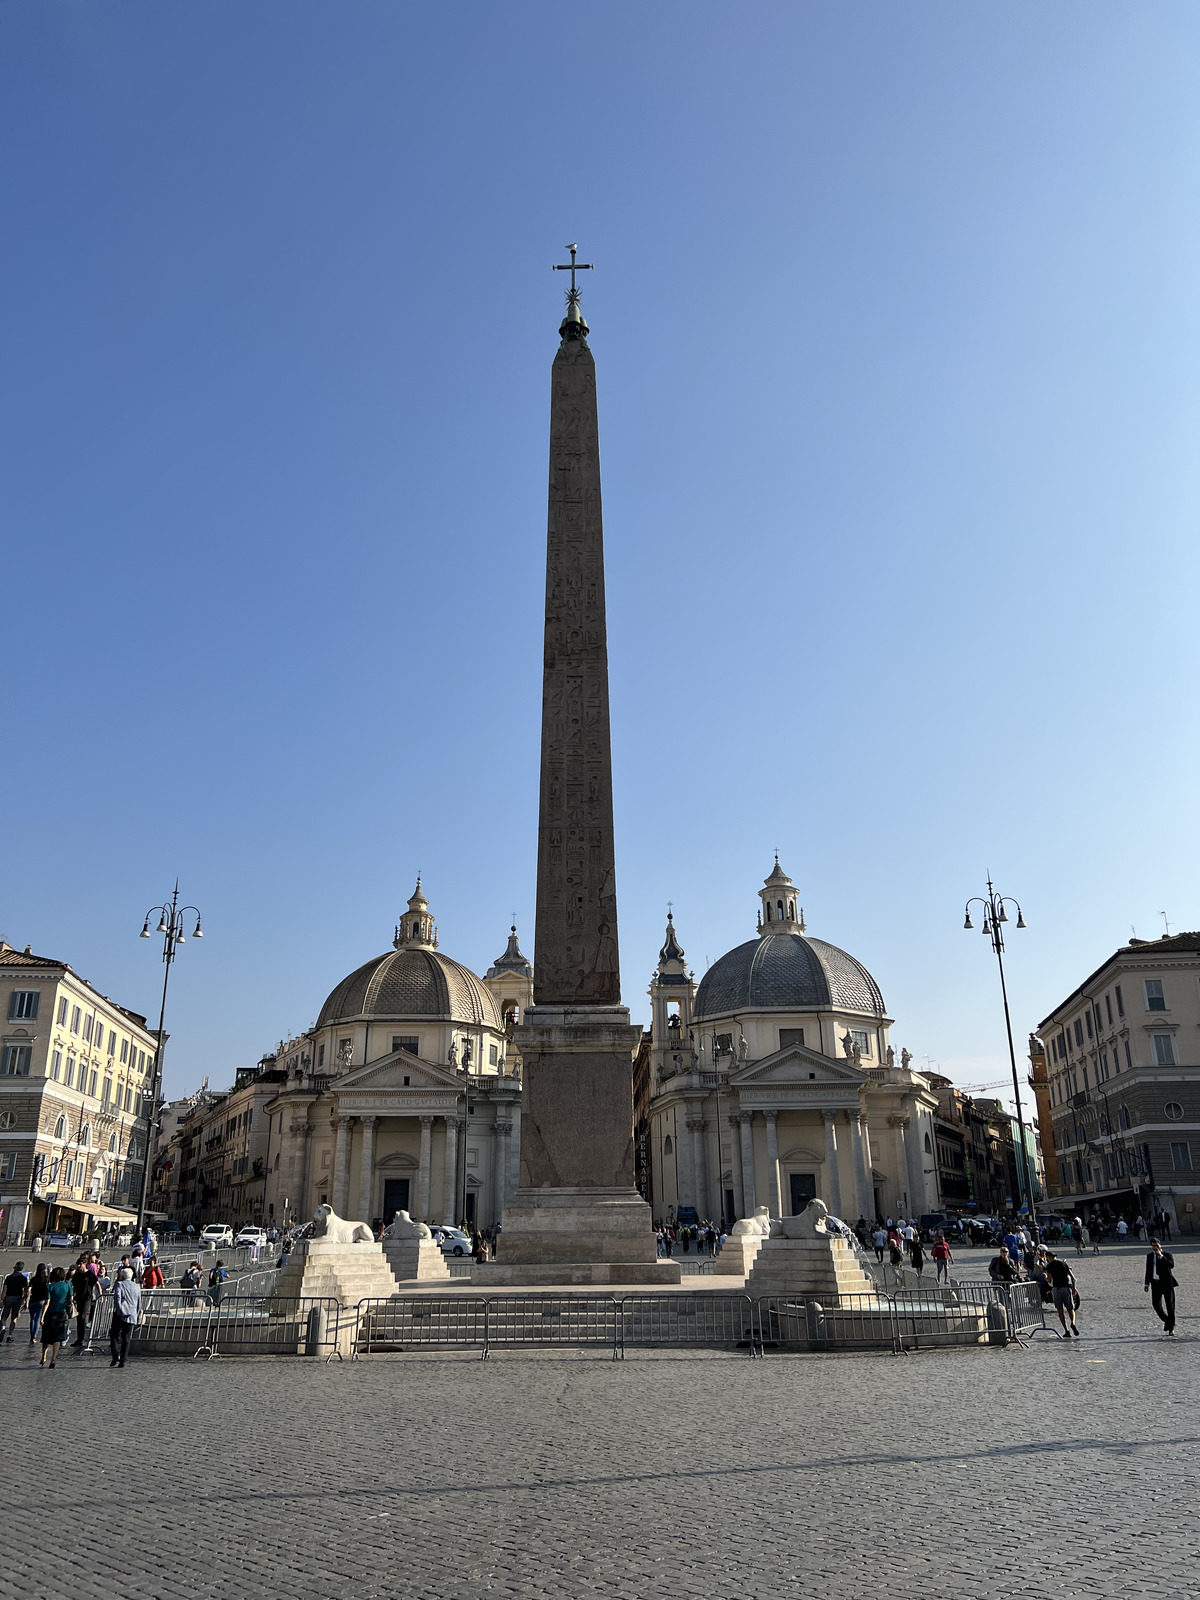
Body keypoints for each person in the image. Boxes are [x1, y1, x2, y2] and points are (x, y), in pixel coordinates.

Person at [40, 1268, 73, 1367]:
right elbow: (71, 1298)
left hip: (50, 1314)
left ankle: (44, 1356)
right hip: (62, 1314)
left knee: (46, 1336)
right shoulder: (67, 1285)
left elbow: (47, 1303)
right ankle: (53, 1358)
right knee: (57, 1337)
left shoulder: (50, 1287)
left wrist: (42, 1316)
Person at [1144, 1238, 1177, 1335]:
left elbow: (1171, 1265)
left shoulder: (1167, 1255)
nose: (1155, 1248)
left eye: (1156, 1245)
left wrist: (1161, 1256)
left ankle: (1171, 1328)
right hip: (1155, 1283)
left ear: (1160, 1245)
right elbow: (1148, 1270)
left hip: (1167, 1283)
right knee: (1156, 1305)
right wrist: (1146, 1283)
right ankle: (1167, 1320)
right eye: (1153, 1246)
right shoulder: (1149, 1256)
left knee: (1170, 1306)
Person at [110, 1266, 141, 1367]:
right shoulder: (137, 1286)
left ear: (122, 1276)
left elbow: (117, 1297)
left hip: (121, 1313)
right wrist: (136, 1313)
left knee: (114, 1335)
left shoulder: (120, 1284)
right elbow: (139, 1303)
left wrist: (118, 1309)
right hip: (131, 1314)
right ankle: (123, 1359)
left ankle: (115, 1356)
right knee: (126, 1338)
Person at [1044, 1252, 1079, 1338]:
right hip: (1066, 1288)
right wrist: (1074, 1288)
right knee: (1070, 1309)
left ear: (1048, 1257)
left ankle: (1066, 1330)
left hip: (1056, 1289)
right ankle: (1073, 1323)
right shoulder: (1064, 1263)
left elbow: (1049, 1280)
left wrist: (1045, 1277)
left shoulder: (1050, 1266)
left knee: (1060, 1311)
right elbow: (1073, 1278)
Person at [69, 1259, 97, 1350]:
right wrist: (71, 1296)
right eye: (78, 1264)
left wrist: (101, 1295)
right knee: (79, 1318)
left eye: (81, 1264)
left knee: (82, 1316)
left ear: (85, 1264)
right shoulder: (77, 1275)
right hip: (78, 1298)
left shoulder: (89, 1274)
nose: (79, 1266)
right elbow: (73, 1287)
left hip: (87, 1298)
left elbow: (97, 1283)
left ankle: (82, 1338)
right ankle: (79, 1339)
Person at [1, 1262, 29, 1341]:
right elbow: (26, 1290)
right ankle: (10, 1335)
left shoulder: (9, 1277)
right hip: (17, 1298)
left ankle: (2, 1328)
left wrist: (1, 1300)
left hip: (8, 1297)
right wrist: (24, 1299)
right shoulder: (23, 1278)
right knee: (14, 1317)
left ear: (14, 1268)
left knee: (4, 1317)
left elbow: (4, 1290)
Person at [27, 1263, 51, 1345]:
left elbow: (28, 1290)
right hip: (41, 1301)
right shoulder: (46, 1279)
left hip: (33, 1300)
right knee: (37, 1319)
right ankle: (34, 1337)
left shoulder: (33, 1279)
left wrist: (26, 1300)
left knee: (32, 1319)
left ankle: (31, 1337)